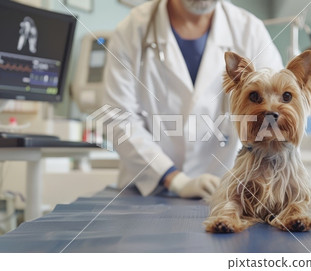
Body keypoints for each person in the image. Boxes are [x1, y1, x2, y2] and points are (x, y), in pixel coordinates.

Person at [104, 0, 283, 199]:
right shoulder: (133, 29)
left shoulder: (250, 31)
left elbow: (277, 109)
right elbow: (117, 117)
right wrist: (174, 179)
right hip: (150, 191)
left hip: (230, 191)